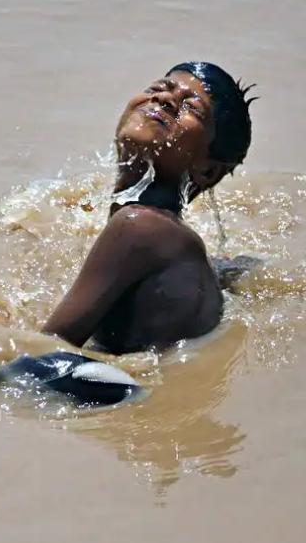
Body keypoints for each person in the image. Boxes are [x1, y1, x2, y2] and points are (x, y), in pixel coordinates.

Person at [40, 61, 256, 355]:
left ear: (207, 171)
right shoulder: (164, 237)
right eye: (159, 87)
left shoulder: (140, 227)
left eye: (191, 108)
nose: (164, 99)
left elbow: (44, 351)